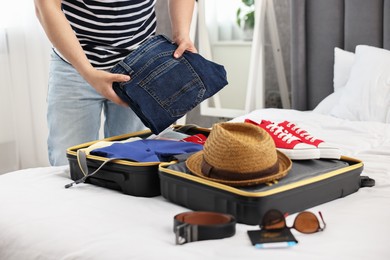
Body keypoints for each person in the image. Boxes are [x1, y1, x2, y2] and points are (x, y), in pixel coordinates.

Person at [34, 0, 197, 166]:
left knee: (137, 160)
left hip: (138, 65)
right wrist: (88, 72)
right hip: (73, 65)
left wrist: (182, 34)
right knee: (68, 164)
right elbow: (46, 5)